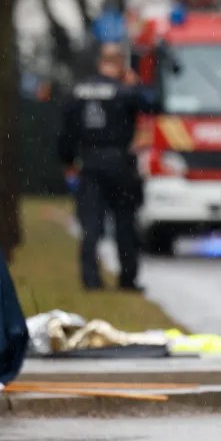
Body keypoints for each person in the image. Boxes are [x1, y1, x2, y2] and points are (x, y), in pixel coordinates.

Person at [59, 44, 153, 291]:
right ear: (120, 64)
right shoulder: (125, 91)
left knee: (91, 225)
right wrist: (136, 84)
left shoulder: (77, 91)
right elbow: (152, 105)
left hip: (89, 163)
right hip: (120, 163)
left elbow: (66, 133)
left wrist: (68, 162)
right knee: (124, 224)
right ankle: (127, 279)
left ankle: (91, 280)